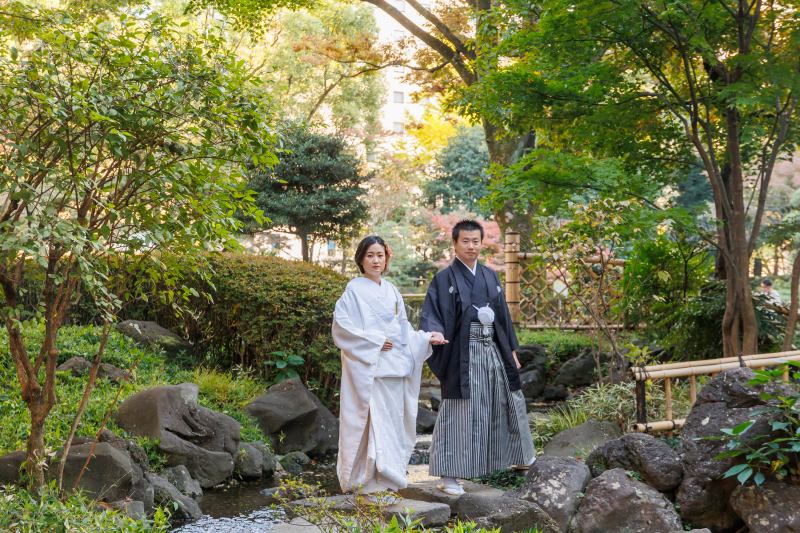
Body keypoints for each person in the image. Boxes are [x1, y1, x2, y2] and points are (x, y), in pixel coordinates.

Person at [419, 219, 536, 495]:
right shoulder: (443, 279)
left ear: (482, 243)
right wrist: (433, 335)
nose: (471, 246)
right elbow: (434, 314)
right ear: (455, 244)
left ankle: (521, 457)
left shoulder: (490, 276)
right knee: (461, 409)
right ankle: (450, 476)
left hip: (493, 349)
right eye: (465, 241)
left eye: (476, 241)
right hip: (462, 353)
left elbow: (503, 318)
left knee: (507, 397)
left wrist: (511, 350)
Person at [332, 236, 448, 496]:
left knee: (392, 425)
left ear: (386, 258)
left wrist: (426, 337)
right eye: (370, 255)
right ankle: (367, 481)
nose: (376, 260)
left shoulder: (392, 290)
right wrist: (374, 341)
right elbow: (342, 330)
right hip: (370, 371)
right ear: (361, 259)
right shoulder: (352, 292)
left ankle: (388, 479)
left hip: (394, 369)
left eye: (380, 255)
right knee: (373, 426)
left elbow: (403, 330)